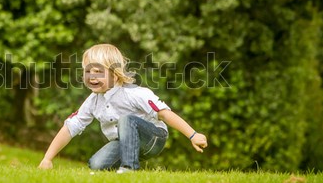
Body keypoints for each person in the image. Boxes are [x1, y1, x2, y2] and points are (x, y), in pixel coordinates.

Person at [38, 44, 208, 173]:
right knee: (96, 165)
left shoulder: (135, 93)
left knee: (126, 120)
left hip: (154, 138)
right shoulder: (92, 101)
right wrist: (47, 158)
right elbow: (70, 128)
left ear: (115, 73)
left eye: (98, 72)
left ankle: (129, 168)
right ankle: (125, 164)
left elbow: (165, 114)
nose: (92, 77)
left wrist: (193, 135)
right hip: (124, 143)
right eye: (88, 72)